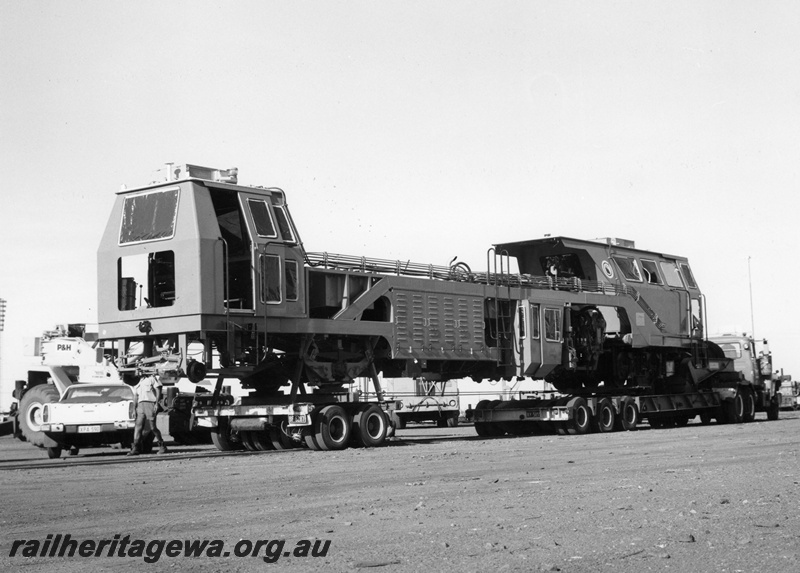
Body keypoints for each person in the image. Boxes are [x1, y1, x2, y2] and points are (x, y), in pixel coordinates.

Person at [127, 372, 168, 455]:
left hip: (150, 403)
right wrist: (134, 409)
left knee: (153, 427)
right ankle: (135, 448)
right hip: (140, 405)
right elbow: (135, 396)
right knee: (138, 427)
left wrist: (157, 403)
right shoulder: (137, 381)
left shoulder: (151, 379)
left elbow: (158, 389)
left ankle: (162, 446)